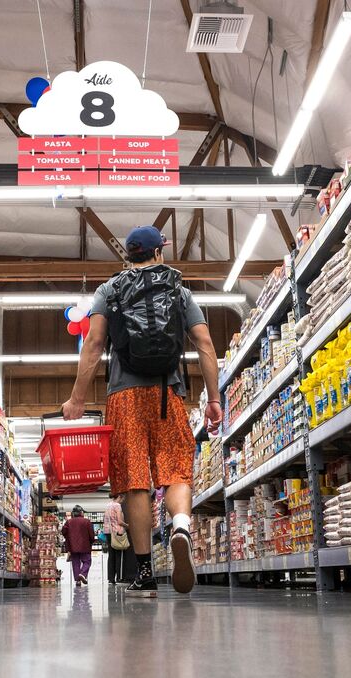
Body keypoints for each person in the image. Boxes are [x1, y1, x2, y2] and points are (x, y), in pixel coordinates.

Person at [61, 225, 223, 597]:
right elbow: (205, 344)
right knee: (176, 468)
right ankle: (180, 525)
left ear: (128, 256)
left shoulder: (110, 290)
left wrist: (77, 398)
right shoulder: (178, 291)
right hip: (169, 394)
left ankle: (145, 574)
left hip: (124, 396)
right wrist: (213, 398)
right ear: (159, 253)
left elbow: (94, 343)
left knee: (136, 481)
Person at [61, 505, 97, 586]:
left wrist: (69, 539)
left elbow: (63, 531)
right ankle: (83, 574)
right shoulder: (87, 521)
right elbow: (91, 535)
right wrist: (91, 542)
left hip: (73, 546)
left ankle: (77, 580)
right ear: (81, 512)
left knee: (75, 563)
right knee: (87, 561)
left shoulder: (68, 522)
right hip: (85, 545)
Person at [104, 495, 131, 585]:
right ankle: (120, 577)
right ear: (119, 497)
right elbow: (119, 521)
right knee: (119, 555)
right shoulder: (117, 506)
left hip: (108, 532)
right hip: (117, 532)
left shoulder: (108, 505)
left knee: (111, 555)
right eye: (122, 499)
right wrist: (127, 525)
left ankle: (111, 578)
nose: (122, 501)